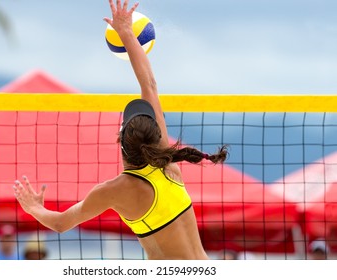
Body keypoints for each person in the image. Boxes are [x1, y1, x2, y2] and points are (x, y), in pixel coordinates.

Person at [13, 0, 227, 260]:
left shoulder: (115, 190)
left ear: (121, 143)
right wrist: (126, 33)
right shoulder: (167, 164)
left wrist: (34, 207)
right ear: (156, 137)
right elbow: (149, 84)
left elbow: (60, 224)